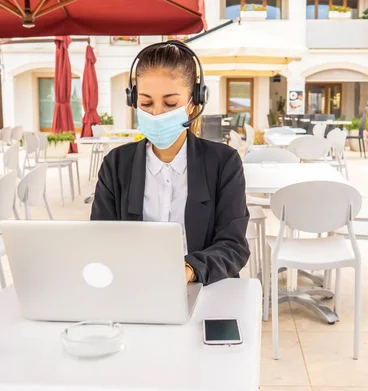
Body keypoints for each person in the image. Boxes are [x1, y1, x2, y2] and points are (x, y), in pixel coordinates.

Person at [90, 41, 250, 285]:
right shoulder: (115, 165)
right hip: (133, 288)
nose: (156, 114)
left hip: (206, 288)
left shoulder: (224, 163)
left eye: (171, 104)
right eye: (145, 103)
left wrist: (189, 270)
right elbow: (101, 240)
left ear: (194, 102)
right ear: (134, 101)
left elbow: (233, 246)